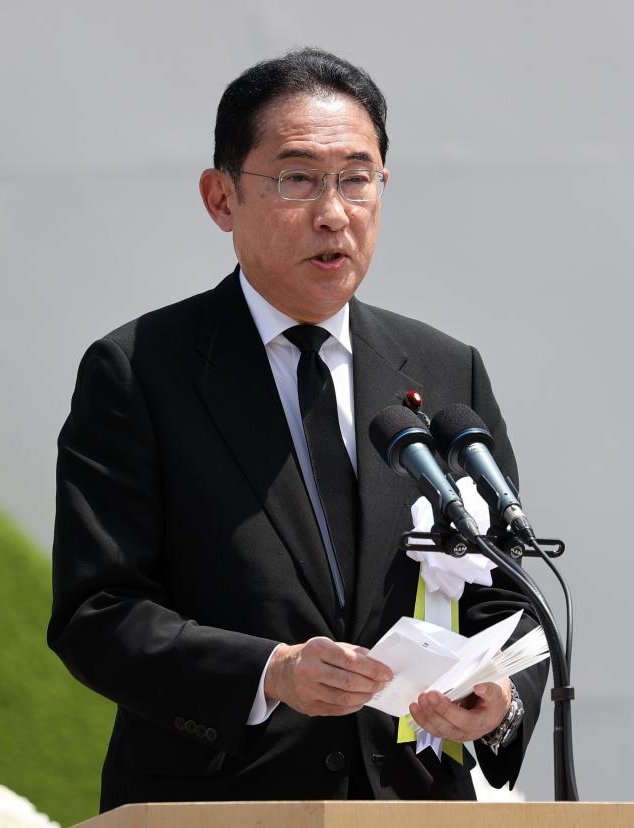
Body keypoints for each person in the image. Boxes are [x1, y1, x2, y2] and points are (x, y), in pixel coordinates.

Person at [48, 48, 547, 810]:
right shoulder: (141, 370)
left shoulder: (448, 373)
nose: (333, 212)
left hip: (411, 806)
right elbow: (97, 612)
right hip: (217, 805)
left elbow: (501, 592)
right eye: (297, 178)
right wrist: (268, 671)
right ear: (221, 199)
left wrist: (500, 699)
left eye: (357, 178)